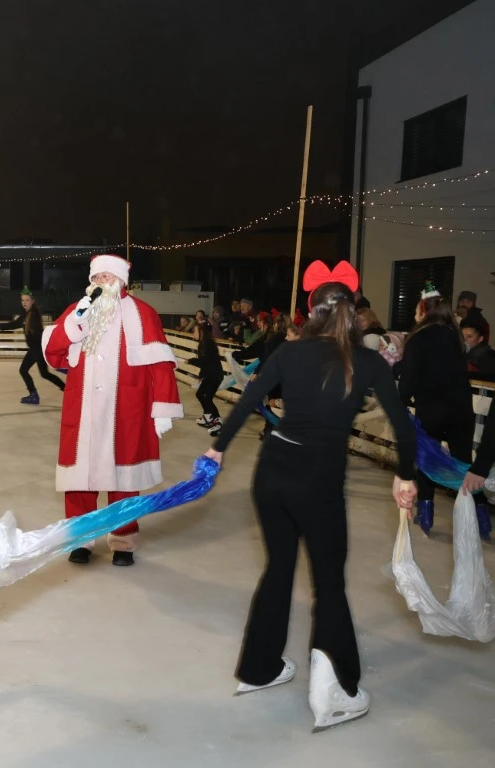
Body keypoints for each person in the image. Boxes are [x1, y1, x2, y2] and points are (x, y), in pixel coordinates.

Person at [204, 271, 417, 732]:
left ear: (311, 312)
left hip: (272, 473)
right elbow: (403, 427)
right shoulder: (368, 361)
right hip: (318, 482)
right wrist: (405, 477)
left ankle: (259, 669)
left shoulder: (289, 351)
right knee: (328, 584)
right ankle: (334, 691)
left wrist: (217, 450)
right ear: (354, 312)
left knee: (278, 569)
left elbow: (247, 400)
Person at [42, 254, 183, 567]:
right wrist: (75, 322)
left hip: (127, 411)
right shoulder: (78, 310)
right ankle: (80, 540)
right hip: (83, 412)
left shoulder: (143, 313)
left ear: (121, 280)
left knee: (123, 481)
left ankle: (123, 542)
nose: (102, 282)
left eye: (108, 276)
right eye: (97, 277)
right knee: (78, 482)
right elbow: (52, 352)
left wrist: (162, 407)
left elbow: (161, 365)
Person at [397, 281, 486, 538]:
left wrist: (400, 403)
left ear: (423, 310)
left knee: (428, 461)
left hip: (432, 409)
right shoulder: (454, 335)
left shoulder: (417, 338)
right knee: (464, 463)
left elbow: (409, 379)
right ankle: (481, 516)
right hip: (461, 410)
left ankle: (426, 513)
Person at [0, 287, 65, 404]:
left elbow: (38, 333)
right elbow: (16, 323)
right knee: (40, 373)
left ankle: (41, 394)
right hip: (36, 349)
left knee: (33, 372)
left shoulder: (33, 316)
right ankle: (41, 393)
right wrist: (0, 327)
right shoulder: (27, 314)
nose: (24, 302)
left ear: (32, 301)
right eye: (23, 300)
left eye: (27, 300)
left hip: (38, 349)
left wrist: (44, 348)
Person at [189, 321, 224, 433]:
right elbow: (205, 364)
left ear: (202, 332)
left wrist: (191, 361)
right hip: (211, 374)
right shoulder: (203, 344)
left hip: (214, 375)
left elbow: (203, 362)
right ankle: (208, 416)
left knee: (206, 397)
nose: (193, 333)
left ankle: (217, 421)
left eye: (194, 331)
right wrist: (200, 376)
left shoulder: (207, 345)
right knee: (201, 395)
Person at [461, 317, 495, 382]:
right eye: (462, 337)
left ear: (480, 339)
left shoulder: (487, 357)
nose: (464, 340)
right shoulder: (465, 354)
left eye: (469, 336)